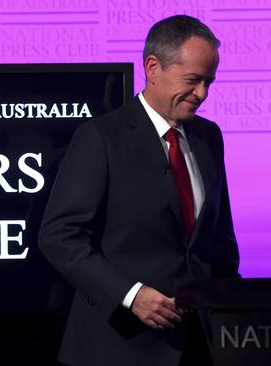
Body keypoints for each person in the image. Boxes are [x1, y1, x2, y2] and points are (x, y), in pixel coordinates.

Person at [39, 15, 240, 366]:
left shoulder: (209, 138)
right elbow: (59, 237)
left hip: (200, 346)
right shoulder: (101, 138)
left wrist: (234, 311)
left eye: (209, 82)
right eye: (193, 80)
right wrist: (130, 294)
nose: (203, 94)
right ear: (152, 66)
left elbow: (219, 241)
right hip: (120, 347)